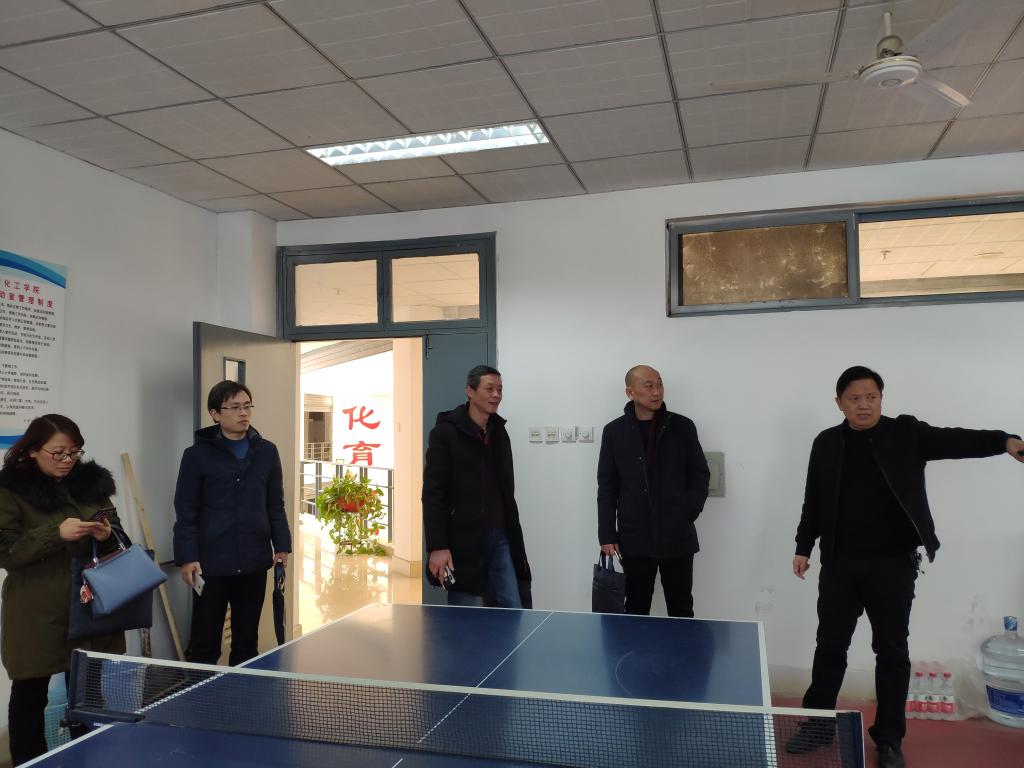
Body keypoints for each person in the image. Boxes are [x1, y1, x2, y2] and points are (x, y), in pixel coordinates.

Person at [788, 365, 1024, 768]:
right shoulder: (826, 443)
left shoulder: (906, 433)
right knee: (829, 648)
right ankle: (819, 724)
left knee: (892, 653)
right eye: (854, 398)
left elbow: (956, 439)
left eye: (871, 397)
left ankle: (889, 739)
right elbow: (814, 499)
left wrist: (1003, 441)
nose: (864, 405)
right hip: (840, 565)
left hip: (893, 566)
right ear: (840, 403)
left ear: (882, 398)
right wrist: (803, 546)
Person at [0, 414, 125, 765]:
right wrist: (55, 534)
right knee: (29, 698)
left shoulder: (92, 484)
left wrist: (107, 535)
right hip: (36, 613)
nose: (68, 460)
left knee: (88, 698)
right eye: (58, 453)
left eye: (74, 452)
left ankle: (87, 758)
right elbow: (6, 551)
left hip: (90, 607)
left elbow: (120, 538)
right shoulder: (9, 491)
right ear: (31, 450)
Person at [173, 381, 291, 666]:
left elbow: (275, 504)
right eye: (235, 407)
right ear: (215, 413)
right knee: (204, 643)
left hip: (254, 560)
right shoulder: (196, 456)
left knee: (247, 642)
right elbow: (186, 509)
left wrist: (282, 545)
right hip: (211, 563)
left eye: (247, 406)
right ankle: (201, 692)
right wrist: (187, 557)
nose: (243, 413)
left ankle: (243, 692)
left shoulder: (267, 451)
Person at [597, 365, 710, 617]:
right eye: (649, 386)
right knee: (636, 609)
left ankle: (682, 647)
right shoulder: (614, 432)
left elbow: (700, 474)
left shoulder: (682, 427)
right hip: (634, 537)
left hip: (677, 535)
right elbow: (607, 487)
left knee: (681, 609)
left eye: (659, 384)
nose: (657, 391)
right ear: (630, 392)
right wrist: (606, 534)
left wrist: (687, 511)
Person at [423, 365, 531, 608]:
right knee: (465, 612)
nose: (496, 395)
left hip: (500, 535)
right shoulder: (445, 433)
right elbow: (433, 494)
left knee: (512, 608)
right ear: (470, 391)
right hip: (463, 539)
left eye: (500, 389)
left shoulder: (499, 432)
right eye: (489, 389)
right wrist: (438, 546)